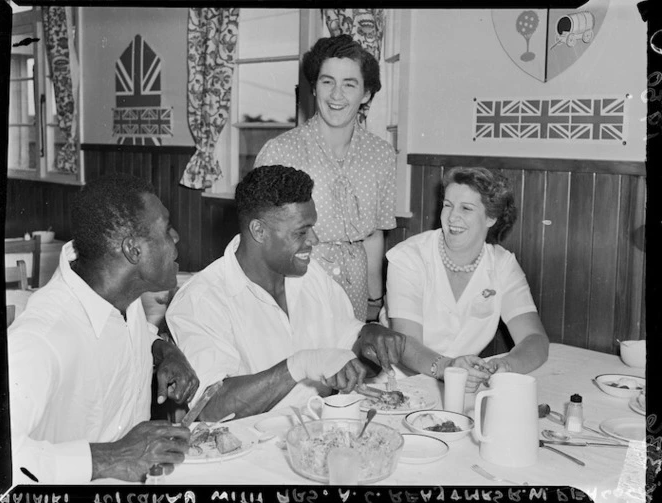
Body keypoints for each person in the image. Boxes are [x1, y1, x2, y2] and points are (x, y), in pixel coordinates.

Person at [166, 165, 431, 421]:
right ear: (259, 231)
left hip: (322, 431)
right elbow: (211, 408)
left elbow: (349, 343)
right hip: (249, 452)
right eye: (301, 232)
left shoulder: (310, 276)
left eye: (312, 227)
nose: (313, 240)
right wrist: (299, 365)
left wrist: (369, 337)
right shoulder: (202, 298)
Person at [8, 174, 199, 484]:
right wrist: (111, 457)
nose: (176, 237)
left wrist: (164, 351)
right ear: (133, 250)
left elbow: (123, 338)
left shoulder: (121, 296)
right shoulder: (40, 339)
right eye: (165, 229)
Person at [255, 34, 396, 322]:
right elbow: (258, 238)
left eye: (349, 84)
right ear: (314, 87)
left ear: (366, 94)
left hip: (355, 291)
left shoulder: (381, 154)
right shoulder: (280, 151)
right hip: (297, 285)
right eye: (327, 81)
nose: (336, 95)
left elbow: (373, 236)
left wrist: (375, 299)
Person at [384, 167, 550, 392]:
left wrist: (507, 365)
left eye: (466, 208)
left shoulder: (502, 265)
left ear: (491, 217)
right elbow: (405, 343)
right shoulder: (408, 257)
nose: (453, 217)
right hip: (399, 383)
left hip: (464, 386)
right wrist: (447, 367)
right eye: (448, 205)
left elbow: (535, 339)